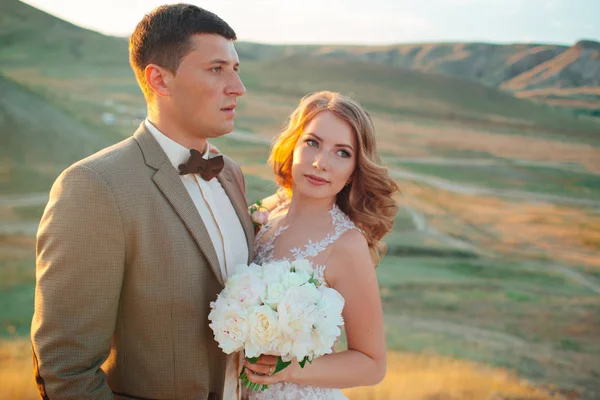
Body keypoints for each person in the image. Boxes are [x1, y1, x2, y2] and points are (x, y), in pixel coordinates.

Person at [30, 4, 262, 399]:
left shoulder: (231, 174)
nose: (237, 88)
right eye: (216, 69)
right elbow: (65, 369)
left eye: (235, 70)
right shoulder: (95, 186)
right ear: (160, 80)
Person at [241, 91, 399, 399]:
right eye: (312, 143)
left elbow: (372, 364)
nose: (320, 163)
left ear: (354, 171)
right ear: (293, 146)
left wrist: (288, 369)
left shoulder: (346, 244)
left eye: (342, 153)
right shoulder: (267, 212)